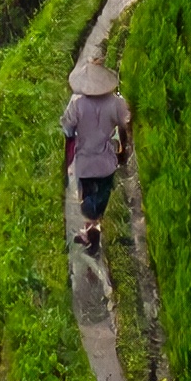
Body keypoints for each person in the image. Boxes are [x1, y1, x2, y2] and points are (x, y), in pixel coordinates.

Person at [61, 63, 130, 255]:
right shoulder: (116, 103)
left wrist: (67, 161)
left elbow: (68, 131)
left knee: (87, 200)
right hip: (106, 163)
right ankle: (92, 233)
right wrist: (123, 150)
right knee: (99, 202)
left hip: (84, 163)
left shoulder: (76, 103)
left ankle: (90, 235)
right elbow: (125, 127)